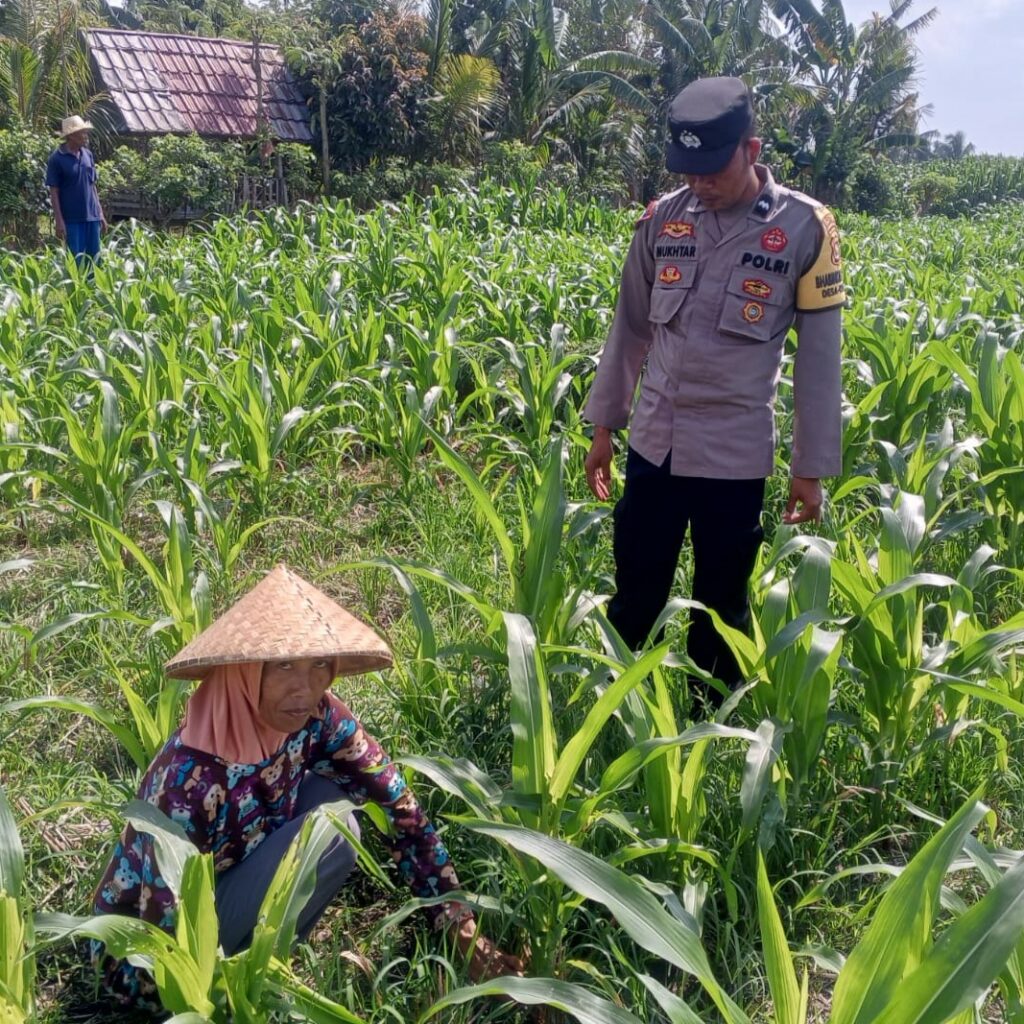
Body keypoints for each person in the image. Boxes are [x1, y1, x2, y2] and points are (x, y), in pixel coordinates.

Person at [91, 564, 523, 1013]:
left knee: (335, 802)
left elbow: (396, 802)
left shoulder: (316, 718)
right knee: (332, 830)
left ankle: (262, 961)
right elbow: (164, 929)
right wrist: (207, 1004)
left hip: (238, 871)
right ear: (244, 672)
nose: (305, 688)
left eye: (319, 664)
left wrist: (461, 930)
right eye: (283, 666)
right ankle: (246, 982)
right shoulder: (186, 780)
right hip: (150, 956)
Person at [583, 76, 843, 701]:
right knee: (638, 581)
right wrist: (603, 428)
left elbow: (819, 361)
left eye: (712, 167)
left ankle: (711, 715)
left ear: (751, 150)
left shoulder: (806, 229)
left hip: (734, 454)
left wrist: (809, 469)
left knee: (720, 597)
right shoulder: (662, 221)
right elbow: (630, 329)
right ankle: (611, 701)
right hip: (656, 444)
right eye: (687, 169)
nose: (699, 182)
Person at [45, 115, 107, 266]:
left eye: (86, 132)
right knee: (76, 261)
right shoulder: (57, 159)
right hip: (72, 220)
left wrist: (100, 214)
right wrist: (59, 221)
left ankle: (93, 290)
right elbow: (54, 192)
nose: (86, 137)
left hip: (91, 218)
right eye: (82, 133)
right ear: (71, 136)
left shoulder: (88, 155)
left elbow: (93, 186)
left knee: (95, 262)